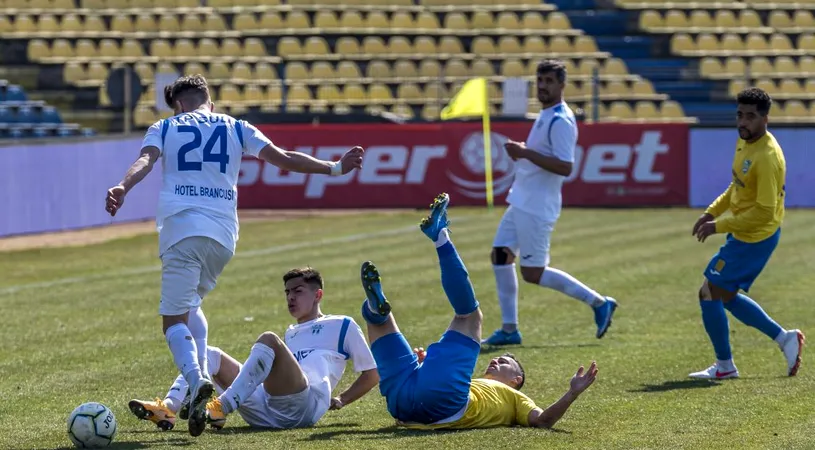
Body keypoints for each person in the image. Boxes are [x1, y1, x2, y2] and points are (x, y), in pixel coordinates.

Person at [104, 74, 365, 436]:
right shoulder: (237, 126)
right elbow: (285, 159)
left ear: (178, 104)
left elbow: (146, 161)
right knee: (192, 305)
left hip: (183, 228)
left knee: (173, 321)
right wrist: (335, 167)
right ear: (209, 100)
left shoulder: (164, 127)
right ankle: (183, 393)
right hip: (224, 237)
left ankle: (197, 383)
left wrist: (122, 185)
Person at [359, 193, 597, 430]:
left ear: (517, 380)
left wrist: (572, 393)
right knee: (382, 322)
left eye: (504, 362)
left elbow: (543, 420)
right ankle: (375, 310)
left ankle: (441, 237)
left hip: (443, 403)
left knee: (470, 316)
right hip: (403, 403)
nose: (495, 359)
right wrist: (425, 368)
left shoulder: (518, 399)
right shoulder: (470, 382)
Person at [128, 267, 379, 431]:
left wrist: (342, 399)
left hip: (303, 408)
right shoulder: (291, 333)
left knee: (269, 339)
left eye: (298, 291)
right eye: (287, 292)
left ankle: (219, 407)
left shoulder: (341, 324)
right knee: (211, 354)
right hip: (266, 409)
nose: (290, 297)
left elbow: (371, 373)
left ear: (318, 295)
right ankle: (168, 409)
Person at [484, 59, 617, 346]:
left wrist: (525, 153)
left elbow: (566, 167)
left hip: (537, 206)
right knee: (500, 256)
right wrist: (524, 152)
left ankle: (598, 303)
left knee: (532, 273)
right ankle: (509, 329)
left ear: (561, 85)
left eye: (549, 81)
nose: (542, 87)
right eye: (539, 81)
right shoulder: (546, 114)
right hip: (522, 200)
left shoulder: (561, 120)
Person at [689, 87, 804, 380]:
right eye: (740, 115)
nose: (742, 122)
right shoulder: (746, 142)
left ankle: (725, 366)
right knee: (725, 295)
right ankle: (784, 338)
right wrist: (711, 212)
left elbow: (765, 211)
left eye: (750, 117)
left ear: (765, 119)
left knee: (708, 291)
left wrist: (719, 225)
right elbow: (736, 186)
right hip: (745, 233)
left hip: (755, 237)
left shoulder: (767, 156)